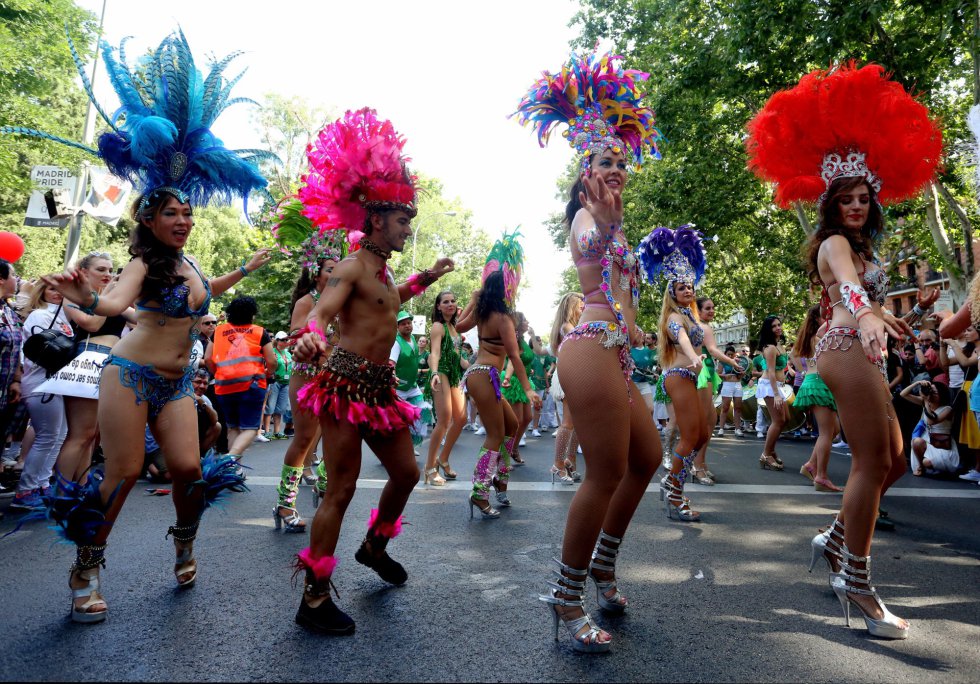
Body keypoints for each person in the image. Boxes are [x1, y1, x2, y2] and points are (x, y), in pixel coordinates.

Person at [32, 31, 270, 623]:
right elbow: (113, 304)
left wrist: (247, 268)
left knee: (190, 469)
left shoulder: (189, 263)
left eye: (188, 212)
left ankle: (185, 540)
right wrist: (84, 291)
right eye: (173, 213)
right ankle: (87, 568)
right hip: (131, 374)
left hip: (176, 383)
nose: (185, 220)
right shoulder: (142, 262)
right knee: (125, 469)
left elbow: (203, 297)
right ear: (150, 218)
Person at [748, 62, 941, 639]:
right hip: (842, 347)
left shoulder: (866, 248)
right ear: (832, 203)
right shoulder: (834, 243)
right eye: (846, 198)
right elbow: (847, 286)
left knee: (897, 456)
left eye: (863, 197)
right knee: (872, 460)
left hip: (865, 348)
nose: (855, 206)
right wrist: (863, 311)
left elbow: (867, 292)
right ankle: (854, 580)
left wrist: (894, 316)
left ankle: (835, 540)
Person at [514, 48, 663, 652]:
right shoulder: (584, 215)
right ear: (584, 173)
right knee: (603, 471)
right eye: (605, 161)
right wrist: (602, 222)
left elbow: (623, 287)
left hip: (617, 350)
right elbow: (589, 242)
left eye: (622, 161)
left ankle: (604, 561)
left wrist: (639, 329)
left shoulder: (618, 221)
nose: (616, 168)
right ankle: (566, 594)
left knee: (647, 457)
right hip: (587, 348)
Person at [288, 107, 454, 634]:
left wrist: (429, 275)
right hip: (342, 386)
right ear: (377, 220)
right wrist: (311, 331)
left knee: (405, 473)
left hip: (380, 390)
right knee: (340, 488)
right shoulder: (349, 267)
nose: (409, 227)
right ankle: (313, 599)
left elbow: (390, 300)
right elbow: (322, 310)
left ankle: (373, 546)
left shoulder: (380, 272)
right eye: (403, 220)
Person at [458, 232, 540, 517]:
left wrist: (472, 301)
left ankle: (499, 477)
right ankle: (479, 492)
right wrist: (529, 389)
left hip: (481, 374)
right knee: (495, 434)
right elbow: (515, 356)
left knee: (512, 425)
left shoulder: (482, 314)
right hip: (484, 375)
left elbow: (457, 326)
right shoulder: (504, 318)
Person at [272, 218, 344, 532]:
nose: (336, 273)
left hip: (338, 377)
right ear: (316, 272)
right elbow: (294, 334)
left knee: (337, 438)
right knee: (303, 440)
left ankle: (324, 488)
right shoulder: (306, 301)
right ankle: (285, 503)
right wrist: (312, 337)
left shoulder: (344, 303)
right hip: (308, 374)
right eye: (330, 268)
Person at [642, 225, 709, 521]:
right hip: (678, 376)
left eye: (690, 287)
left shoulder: (691, 315)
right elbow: (680, 338)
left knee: (703, 433)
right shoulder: (673, 317)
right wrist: (694, 356)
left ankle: (673, 482)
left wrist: (704, 357)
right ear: (672, 292)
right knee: (691, 435)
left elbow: (696, 339)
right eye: (682, 287)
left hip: (691, 377)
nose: (688, 290)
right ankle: (674, 492)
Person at [53, 252, 136, 484]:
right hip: (87, 361)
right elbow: (91, 322)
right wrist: (107, 296)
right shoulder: (73, 297)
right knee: (80, 434)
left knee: (92, 435)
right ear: (84, 272)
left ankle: (80, 488)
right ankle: (60, 493)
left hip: (111, 364)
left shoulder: (112, 299)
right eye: (101, 269)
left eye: (110, 270)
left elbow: (140, 319)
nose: (108, 274)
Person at [8, 282, 74, 511]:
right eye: (53, 289)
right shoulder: (39, 315)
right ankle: (25, 490)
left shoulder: (65, 318)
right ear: (42, 292)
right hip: (41, 383)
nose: (59, 293)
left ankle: (42, 484)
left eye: (62, 289)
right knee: (47, 437)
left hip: (59, 384)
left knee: (59, 436)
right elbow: (44, 352)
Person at [204, 296, 277, 462]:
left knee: (233, 427)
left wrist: (218, 374)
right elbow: (272, 361)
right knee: (251, 429)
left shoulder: (219, 331)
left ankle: (234, 470)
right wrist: (267, 373)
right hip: (251, 384)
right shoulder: (259, 332)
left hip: (224, 385)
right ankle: (229, 459)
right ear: (251, 314)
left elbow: (208, 359)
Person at [793, 305, 843, 492]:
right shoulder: (819, 337)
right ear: (818, 318)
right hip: (818, 383)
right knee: (826, 432)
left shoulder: (814, 337)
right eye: (827, 315)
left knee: (833, 429)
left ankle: (811, 466)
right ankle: (821, 477)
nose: (831, 317)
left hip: (817, 382)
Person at [690, 296, 740, 485]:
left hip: (705, 373)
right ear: (699, 310)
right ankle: (697, 465)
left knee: (709, 420)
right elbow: (712, 350)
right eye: (707, 308)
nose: (712, 311)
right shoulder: (703, 327)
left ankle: (700, 462)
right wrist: (731, 361)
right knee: (706, 421)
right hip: (704, 373)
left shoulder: (695, 326)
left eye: (713, 308)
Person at [423, 290, 467, 485]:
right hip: (440, 373)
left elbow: (459, 359)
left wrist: (479, 368)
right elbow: (435, 353)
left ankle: (444, 458)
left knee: (461, 419)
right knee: (444, 420)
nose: (450, 304)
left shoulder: (453, 328)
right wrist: (433, 373)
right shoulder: (438, 326)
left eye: (452, 301)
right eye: (445, 302)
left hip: (454, 374)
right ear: (439, 307)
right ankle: (429, 467)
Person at [549, 292, 584, 484]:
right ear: (571, 307)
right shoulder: (567, 327)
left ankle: (570, 460)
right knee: (568, 422)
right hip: (567, 374)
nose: (584, 307)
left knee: (577, 422)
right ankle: (557, 464)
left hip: (575, 374)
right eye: (580, 305)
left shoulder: (574, 326)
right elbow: (582, 345)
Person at [501, 312, 546, 460]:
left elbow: (537, 351)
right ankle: (504, 453)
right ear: (518, 323)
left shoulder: (523, 339)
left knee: (527, 418)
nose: (528, 322)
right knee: (517, 420)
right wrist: (507, 378)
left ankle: (513, 449)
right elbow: (513, 361)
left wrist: (533, 336)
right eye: (525, 320)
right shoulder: (514, 338)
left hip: (525, 380)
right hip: (514, 381)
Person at [391, 310, 431, 453]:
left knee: (422, 412)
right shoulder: (396, 342)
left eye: (409, 323)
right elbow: (391, 364)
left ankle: (410, 445)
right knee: (397, 422)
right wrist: (393, 376)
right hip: (400, 389)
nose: (407, 326)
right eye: (403, 324)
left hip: (412, 387)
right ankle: (391, 450)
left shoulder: (413, 339)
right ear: (397, 327)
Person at [901, 379, 959, 476]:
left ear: (942, 394)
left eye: (934, 392)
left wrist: (926, 401)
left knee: (927, 462)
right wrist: (918, 383)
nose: (931, 394)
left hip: (941, 445)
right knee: (916, 441)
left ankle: (930, 465)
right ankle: (921, 467)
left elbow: (931, 421)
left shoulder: (948, 409)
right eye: (930, 391)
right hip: (928, 440)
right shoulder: (926, 403)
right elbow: (903, 394)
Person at [756, 315, 790, 471]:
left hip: (778, 385)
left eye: (779, 325)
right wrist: (776, 394)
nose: (778, 328)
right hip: (770, 386)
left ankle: (771, 450)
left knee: (785, 419)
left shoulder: (779, 345)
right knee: (778, 421)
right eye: (774, 326)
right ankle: (766, 454)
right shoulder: (770, 348)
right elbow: (770, 372)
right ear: (768, 330)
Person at [262, 331, 293, 439]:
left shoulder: (288, 353)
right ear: (277, 341)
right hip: (275, 382)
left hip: (286, 383)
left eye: (286, 339)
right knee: (270, 407)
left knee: (280, 408)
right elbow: (268, 367)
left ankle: (277, 431)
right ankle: (266, 431)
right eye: (283, 340)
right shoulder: (273, 353)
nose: (285, 341)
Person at [717, 345, 747, 436]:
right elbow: (718, 374)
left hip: (738, 384)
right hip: (727, 384)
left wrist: (742, 374)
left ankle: (737, 429)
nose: (730, 356)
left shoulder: (738, 361)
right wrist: (725, 376)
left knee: (738, 408)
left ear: (734, 354)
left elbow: (741, 374)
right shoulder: (722, 362)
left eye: (731, 354)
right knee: (725, 407)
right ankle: (721, 428)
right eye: (728, 354)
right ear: (725, 354)